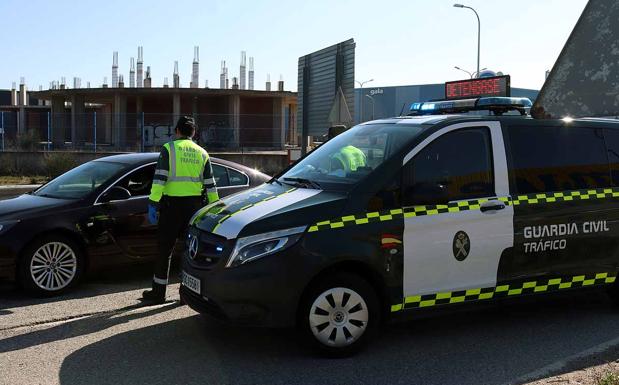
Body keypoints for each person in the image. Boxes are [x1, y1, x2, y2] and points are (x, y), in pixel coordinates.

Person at [142, 116, 219, 304]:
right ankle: (186, 294)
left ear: (177, 131)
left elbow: (160, 179)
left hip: (171, 208)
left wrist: (153, 203)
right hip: (194, 209)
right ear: (193, 133)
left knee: (164, 250)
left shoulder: (169, 149)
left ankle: (158, 293)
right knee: (189, 251)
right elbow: (210, 184)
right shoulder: (202, 153)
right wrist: (215, 207)